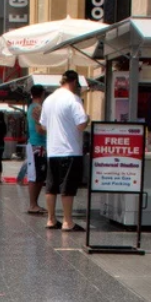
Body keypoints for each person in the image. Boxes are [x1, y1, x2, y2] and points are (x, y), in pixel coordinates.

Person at [40, 70, 89, 231]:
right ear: (74, 82)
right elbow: (81, 124)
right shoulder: (73, 99)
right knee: (67, 187)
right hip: (70, 150)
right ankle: (68, 221)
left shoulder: (48, 100)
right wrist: (87, 118)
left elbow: (43, 126)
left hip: (53, 149)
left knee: (51, 186)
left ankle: (51, 219)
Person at [25, 84, 48, 214]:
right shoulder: (37, 108)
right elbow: (39, 129)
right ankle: (33, 204)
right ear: (42, 94)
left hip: (37, 145)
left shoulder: (32, 107)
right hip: (37, 145)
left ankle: (34, 204)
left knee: (39, 176)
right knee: (35, 176)